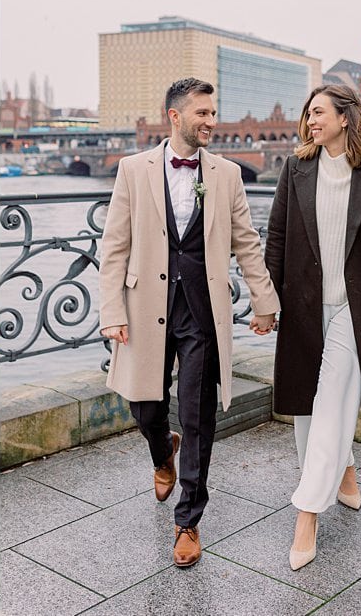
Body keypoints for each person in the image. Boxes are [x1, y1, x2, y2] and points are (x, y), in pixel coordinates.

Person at [100, 77, 280, 568]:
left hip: (203, 312)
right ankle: (162, 453)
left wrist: (265, 302)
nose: (212, 121)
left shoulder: (227, 174)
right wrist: (111, 310)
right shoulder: (133, 170)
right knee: (146, 409)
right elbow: (114, 246)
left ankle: (188, 520)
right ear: (175, 117)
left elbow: (246, 242)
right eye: (202, 113)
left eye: (213, 112)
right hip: (144, 310)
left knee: (198, 414)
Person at [263, 84, 361, 570]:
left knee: (327, 403)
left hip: (356, 306)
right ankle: (343, 467)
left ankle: (306, 514)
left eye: (318, 112)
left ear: (346, 118)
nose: (309, 119)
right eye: (307, 112)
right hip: (304, 303)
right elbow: (277, 237)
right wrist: (267, 301)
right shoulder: (295, 168)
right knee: (306, 405)